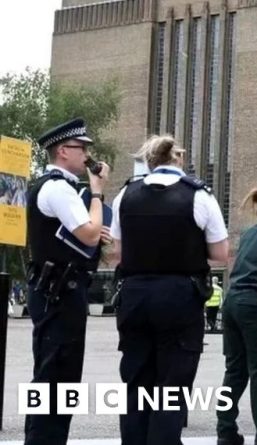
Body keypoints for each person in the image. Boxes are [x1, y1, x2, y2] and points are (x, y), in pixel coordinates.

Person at [111, 135, 229, 445]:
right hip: (179, 296)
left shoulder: (126, 194)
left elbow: (115, 255)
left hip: (134, 295)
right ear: (178, 159)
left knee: (136, 384)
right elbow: (220, 254)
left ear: (149, 161)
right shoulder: (199, 196)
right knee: (171, 386)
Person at [24, 118, 111, 445]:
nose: (88, 155)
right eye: (82, 148)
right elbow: (89, 235)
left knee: (52, 376)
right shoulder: (59, 187)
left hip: (56, 291)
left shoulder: (53, 185)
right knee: (57, 378)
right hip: (58, 292)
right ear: (63, 151)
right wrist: (98, 192)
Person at [216, 188, 257, 445]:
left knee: (234, 371)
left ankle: (225, 430)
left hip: (232, 302)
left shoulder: (250, 233)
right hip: (255, 305)